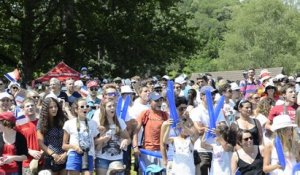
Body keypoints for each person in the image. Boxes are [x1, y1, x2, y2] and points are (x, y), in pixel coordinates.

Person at [189, 85, 226, 175]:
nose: (212, 96)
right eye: (209, 94)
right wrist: (215, 127)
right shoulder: (196, 111)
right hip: (202, 150)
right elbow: (199, 130)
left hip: (217, 149)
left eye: (213, 94)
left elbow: (224, 126)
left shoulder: (218, 110)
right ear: (201, 96)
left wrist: (215, 127)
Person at [93, 100, 131, 175]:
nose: (112, 108)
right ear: (104, 108)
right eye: (109, 106)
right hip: (102, 158)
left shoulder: (120, 122)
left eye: (114, 106)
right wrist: (103, 139)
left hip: (118, 158)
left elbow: (129, 139)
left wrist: (126, 141)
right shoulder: (97, 123)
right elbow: (93, 142)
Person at [62, 98, 99, 175]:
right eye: (82, 106)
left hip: (88, 154)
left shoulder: (93, 123)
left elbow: (95, 141)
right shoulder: (69, 123)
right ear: (76, 110)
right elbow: (64, 146)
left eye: (87, 106)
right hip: (74, 154)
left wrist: (104, 135)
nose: (85, 108)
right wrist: (75, 147)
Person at [133, 92, 169, 168]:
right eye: (156, 101)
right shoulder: (145, 114)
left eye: (160, 100)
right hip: (148, 151)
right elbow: (135, 132)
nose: (159, 103)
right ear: (149, 102)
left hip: (163, 151)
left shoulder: (165, 115)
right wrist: (135, 147)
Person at [37, 97, 68, 174]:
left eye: (56, 106)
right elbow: (40, 143)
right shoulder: (41, 122)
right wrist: (53, 155)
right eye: (51, 107)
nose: (54, 109)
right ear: (46, 109)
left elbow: (71, 139)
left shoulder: (64, 119)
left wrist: (66, 154)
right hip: (50, 157)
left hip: (64, 156)